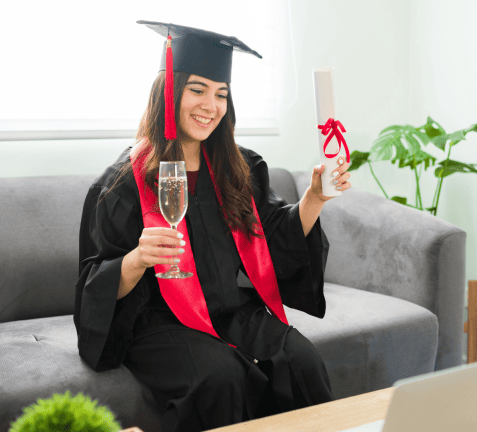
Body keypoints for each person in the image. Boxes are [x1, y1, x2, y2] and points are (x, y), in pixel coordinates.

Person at [74, 21, 352, 432]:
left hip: (229, 309)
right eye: (197, 90)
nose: (211, 105)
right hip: (157, 321)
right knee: (220, 377)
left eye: (221, 94)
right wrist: (136, 260)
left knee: (300, 359)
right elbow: (94, 284)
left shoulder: (238, 167)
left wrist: (314, 199)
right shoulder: (123, 182)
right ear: (169, 92)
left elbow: (274, 240)